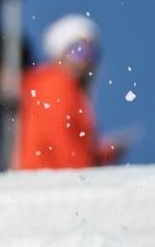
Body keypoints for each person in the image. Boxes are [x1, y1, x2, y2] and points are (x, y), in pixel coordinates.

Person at [14, 14, 124, 171]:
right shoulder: (54, 85)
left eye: (92, 53)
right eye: (78, 51)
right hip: (47, 183)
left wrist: (102, 154)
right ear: (59, 54)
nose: (86, 60)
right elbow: (58, 141)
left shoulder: (69, 89)